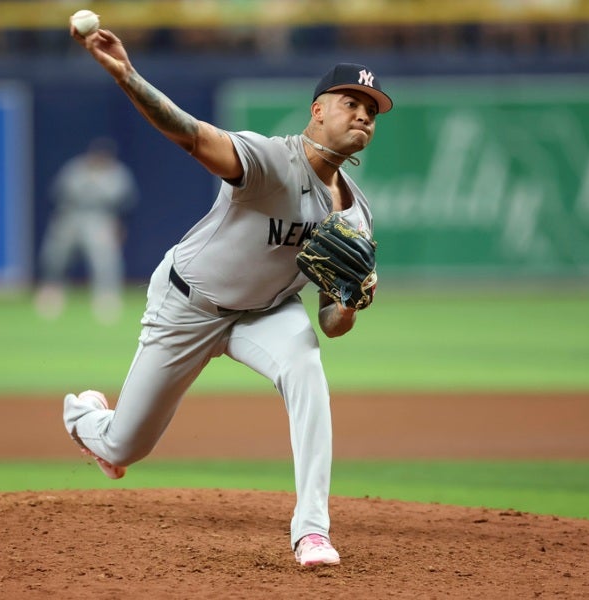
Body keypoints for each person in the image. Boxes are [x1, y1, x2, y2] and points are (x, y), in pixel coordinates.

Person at [61, 23, 392, 567]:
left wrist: (352, 301)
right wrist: (128, 76)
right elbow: (190, 134)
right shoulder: (270, 160)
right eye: (351, 103)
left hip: (267, 313)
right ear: (317, 110)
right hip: (189, 304)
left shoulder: (356, 214)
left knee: (307, 368)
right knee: (124, 447)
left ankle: (312, 531)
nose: (363, 115)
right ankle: (83, 415)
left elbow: (332, 324)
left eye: (372, 111)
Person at [35, 137, 138, 323]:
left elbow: (127, 204)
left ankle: (106, 299)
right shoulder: (75, 168)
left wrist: (121, 225)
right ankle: (51, 294)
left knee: (105, 261)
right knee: (56, 257)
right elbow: (56, 194)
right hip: (70, 214)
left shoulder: (118, 173)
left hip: (100, 217)